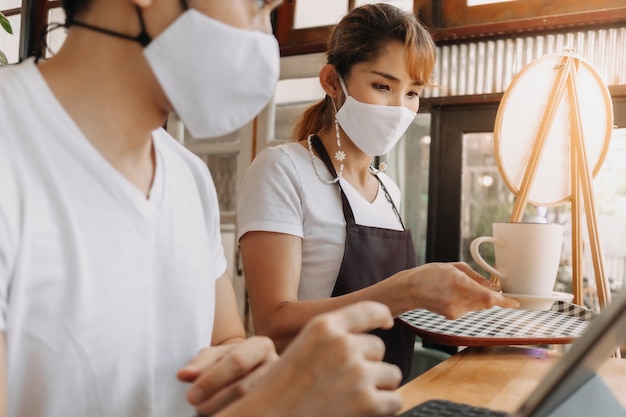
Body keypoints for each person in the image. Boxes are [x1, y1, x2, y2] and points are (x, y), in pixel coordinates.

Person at [0, 0, 406, 416]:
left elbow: (226, 341)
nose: (266, 26)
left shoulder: (188, 177)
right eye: (254, 4)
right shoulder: (13, 150)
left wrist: (253, 376)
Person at [237, 3, 520, 382]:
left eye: (412, 93)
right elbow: (274, 325)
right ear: (332, 82)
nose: (399, 108)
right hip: (311, 397)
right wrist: (408, 288)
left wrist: (443, 294)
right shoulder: (283, 169)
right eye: (383, 86)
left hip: (389, 393)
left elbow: (396, 313)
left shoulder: (389, 190)